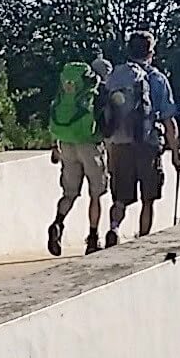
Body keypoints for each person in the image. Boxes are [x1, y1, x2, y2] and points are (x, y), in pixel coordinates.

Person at [99, 30, 180, 247]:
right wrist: (175, 152)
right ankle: (143, 240)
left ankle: (114, 228)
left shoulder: (117, 76)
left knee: (120, 197)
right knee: (148, 198)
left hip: (120, 144)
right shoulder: (157, 79)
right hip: (147, 144)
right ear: (151, 52)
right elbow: (168, 120)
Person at [47, 60, 110, 255]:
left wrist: (54, 146)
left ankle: (58, 222)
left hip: (66, 143)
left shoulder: (67, 92)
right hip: (90, 145)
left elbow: (54, 116)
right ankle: (92, 238)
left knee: (69, 193)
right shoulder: (98, 93)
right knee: (95, 194)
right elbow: (106, 122)